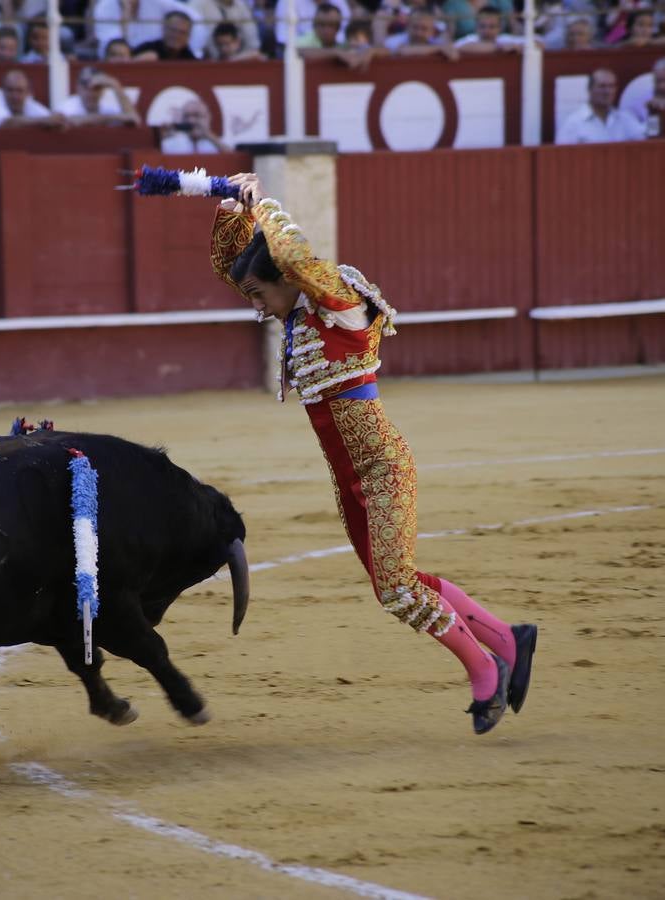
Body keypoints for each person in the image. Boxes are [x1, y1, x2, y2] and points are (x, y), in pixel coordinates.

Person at [207, 172, 538, 735]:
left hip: (382, 469)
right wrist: (232, 209)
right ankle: (509, 638)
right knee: (401, 580)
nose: (258, 309)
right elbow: (232, 265)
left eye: (261, 295)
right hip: (351, 480)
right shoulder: (297, 311)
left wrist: (264, 205)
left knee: (395, 589)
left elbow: (289, 251)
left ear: (286, 280)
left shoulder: (336, 300)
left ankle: (486, 670)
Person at [555, 67, 645, 144]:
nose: (607, 92)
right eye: (602, 86)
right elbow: (560, 157)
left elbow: (646, 138)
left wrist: (656, 114)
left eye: (611, 86)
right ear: (589, 89)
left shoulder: (624, 119)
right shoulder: (573, 123)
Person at [0, 69, 67, 128]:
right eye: (10, 90)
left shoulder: (31, 105)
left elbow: (48, 119)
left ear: (28, 92)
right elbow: (7, 123)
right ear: (3, 91)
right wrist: (43, 121)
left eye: (19, 91)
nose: (14, 96)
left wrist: (58, 121)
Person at [57, 66, 141, 124]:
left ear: (103, 90)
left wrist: (115, 84)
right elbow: (71, 121)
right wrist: (114, 118)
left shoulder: (108, 105)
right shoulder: (67, 106)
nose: (90, 92)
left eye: (97, 88)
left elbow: (134, 119)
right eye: (85, 86)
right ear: (77, 87)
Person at [158, 97, 227, 150]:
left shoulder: (219, 145)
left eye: (197, 115)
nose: (191, 121)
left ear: (207, 117)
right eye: (186, 116)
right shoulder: (170, 145)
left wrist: (209, 136)